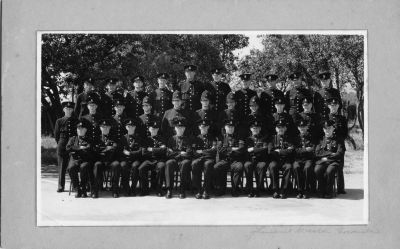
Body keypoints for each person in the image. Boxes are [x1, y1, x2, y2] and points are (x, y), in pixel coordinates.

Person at [214, 119, 246, 197]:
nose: (230, 129)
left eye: (232, 127)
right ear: (225, 128)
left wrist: (227, 149)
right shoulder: (220, 138)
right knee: (217, 167)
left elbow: (241, 149)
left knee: (239, 167)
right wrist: (233, 149)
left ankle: (234, 189)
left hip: (235, 160)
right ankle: (221, 188)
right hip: (225, 160)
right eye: (228, 127)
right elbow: (220, 150)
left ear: (234, 128)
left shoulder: (239, 137)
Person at [314, 119, 345, 198]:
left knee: (329, 171)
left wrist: (326, 157)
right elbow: (317, 153)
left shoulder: (339, 140)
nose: (327, 130)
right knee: (317, 170)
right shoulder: (321, 140)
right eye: (325, 128)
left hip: (333, 162)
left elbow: (340, 153)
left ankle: (329, 192)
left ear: (333, 128)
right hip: (322, 161)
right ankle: (321, 190)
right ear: (323, 129)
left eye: (329, 128)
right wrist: (331, 153)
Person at [165, 117, 193, 199]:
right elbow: (168, 153)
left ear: (184, 129)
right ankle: (169, 189)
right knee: (168, 163)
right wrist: (180, 153)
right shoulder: (171, 139)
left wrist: (175, 153)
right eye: (178, 128)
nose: (180, 129)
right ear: (175, 129)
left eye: (182, 128)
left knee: (185, 163)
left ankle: (182, 189)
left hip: (184, 160)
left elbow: (189, 153)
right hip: (173, 160)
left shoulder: (188, 139)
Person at [66, 119, 94, 198]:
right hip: (74, 160)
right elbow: (68, 148)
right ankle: (77, 189)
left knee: (84, 167)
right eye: (78, 129)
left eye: (82, 129)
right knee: (70, 168)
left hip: (85, 160)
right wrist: (80, 148)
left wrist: (75, 149)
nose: (80, 130)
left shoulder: (89, 139)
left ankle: (83, 188)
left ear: (85, 130)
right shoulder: (72, 139)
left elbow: (89, 149)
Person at [93, 119, 121, 198]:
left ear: (110, 128)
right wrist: (107, 148)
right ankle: (95, 190)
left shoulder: (114, 138)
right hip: (100, 161)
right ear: (100, 128)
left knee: (117, 165)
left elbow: (115, 148)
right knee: (97, 165)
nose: (105, 129)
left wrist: (102, 149)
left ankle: (115, 189)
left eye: (107, 127)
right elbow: (95, 150)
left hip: (111, 160)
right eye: (103, 127)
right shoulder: (96, 139)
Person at [54, 101, 78, 192]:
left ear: (72, 110)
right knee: (62, 167)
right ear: (64, 110)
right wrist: (61, 143)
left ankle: (75, 186)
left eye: (70, 109)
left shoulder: (76, 121)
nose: (69, 110)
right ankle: (61, 186)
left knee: (72, 167)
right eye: (67, 109)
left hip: (72, 147)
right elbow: (56, 135)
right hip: (62, 146)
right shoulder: (59, 121)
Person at [269, 118, 296, 199]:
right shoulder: (272, 138)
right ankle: (275, 190)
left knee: (289, 167)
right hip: (275, 160)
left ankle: (284, 190)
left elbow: (291, 151)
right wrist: (285, 151)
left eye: (282, 127)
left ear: (285, 128)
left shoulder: (290, 138)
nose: (281, 129)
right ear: (276, 129)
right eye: (279, 128)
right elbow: (270, 151)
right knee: (272, 166)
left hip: (286, 161)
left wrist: (279, 151)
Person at [140, 119, 167, 196]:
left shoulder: (162, 139)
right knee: (141, 168)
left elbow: (164, 150)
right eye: (152, 129)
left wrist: (151, 149)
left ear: (158, 129)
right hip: (149, 160)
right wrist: (158, 149)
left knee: (161, 167)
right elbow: (144, 152)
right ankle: (145, 189)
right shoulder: (146, 139)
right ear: (149, 129)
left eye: (155, 129)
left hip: (159, 160)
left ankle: (159, 189)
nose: (154, 130)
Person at [191, 119, 217, 199]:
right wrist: (207, 151)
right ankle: (199, 189)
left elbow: (213, 151)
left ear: (208, 127)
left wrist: (202, 151)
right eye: (202, 127)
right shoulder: (196, 138)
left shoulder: (212, 138)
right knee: (195, 164)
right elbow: (194, 152)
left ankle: (206, 190)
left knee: (208, 164)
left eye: (205, 127)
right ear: (199, 127)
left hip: (209, 159)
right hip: (198, 158)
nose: (204, 129)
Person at [244, 119, 270, 197]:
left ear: (260, 129)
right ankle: (250, 189)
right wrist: (258, 149)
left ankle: (258, 189)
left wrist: (253, 149)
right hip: (250, 159)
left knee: (261, 166)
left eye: (257, 128)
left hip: (261, 159)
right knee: (247, 165)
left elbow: (265, 149)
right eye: (254, 128)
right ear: (251, 129)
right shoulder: (248, 139)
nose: (255, 130)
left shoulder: (264, 138)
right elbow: (246, 150)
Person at [327, 97, 348, 194]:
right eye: (332, 105)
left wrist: (339, 141)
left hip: (339, 144)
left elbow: (345, 133)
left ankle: (340, 188)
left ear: (338, 106)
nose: (333, 107)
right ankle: (327, 186)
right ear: (328, 106)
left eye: (335, 105)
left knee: (340, 166)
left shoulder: (343, 119)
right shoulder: (326, 118)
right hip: (328, 145)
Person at [293, 118, 318, 199]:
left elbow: (313, 149)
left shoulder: (312, 137)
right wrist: (305, 150)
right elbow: (295, 150)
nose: (302, 128)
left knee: (307, 168)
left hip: (308, 159)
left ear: (307, 127)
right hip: (298, 159)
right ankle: (299, 191)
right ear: (298, 128)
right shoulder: (296, 138)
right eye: (300, 127)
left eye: (304, 126)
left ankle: (306, 190)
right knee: (296, 167)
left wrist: (301, 150)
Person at [120, 118, 144, 196]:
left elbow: (140, 151)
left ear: (135, 127)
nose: (130, 128)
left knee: (135, 166)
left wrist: (130, 153)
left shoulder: (139, 138)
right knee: (123, 165)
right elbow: (120, 150)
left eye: (132, 126)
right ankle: (126, 188)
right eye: (129, 126)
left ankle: (133, 188)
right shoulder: (123, 138)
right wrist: (124, 153)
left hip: (135, 159)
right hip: (125, 159)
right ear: (126, 127)